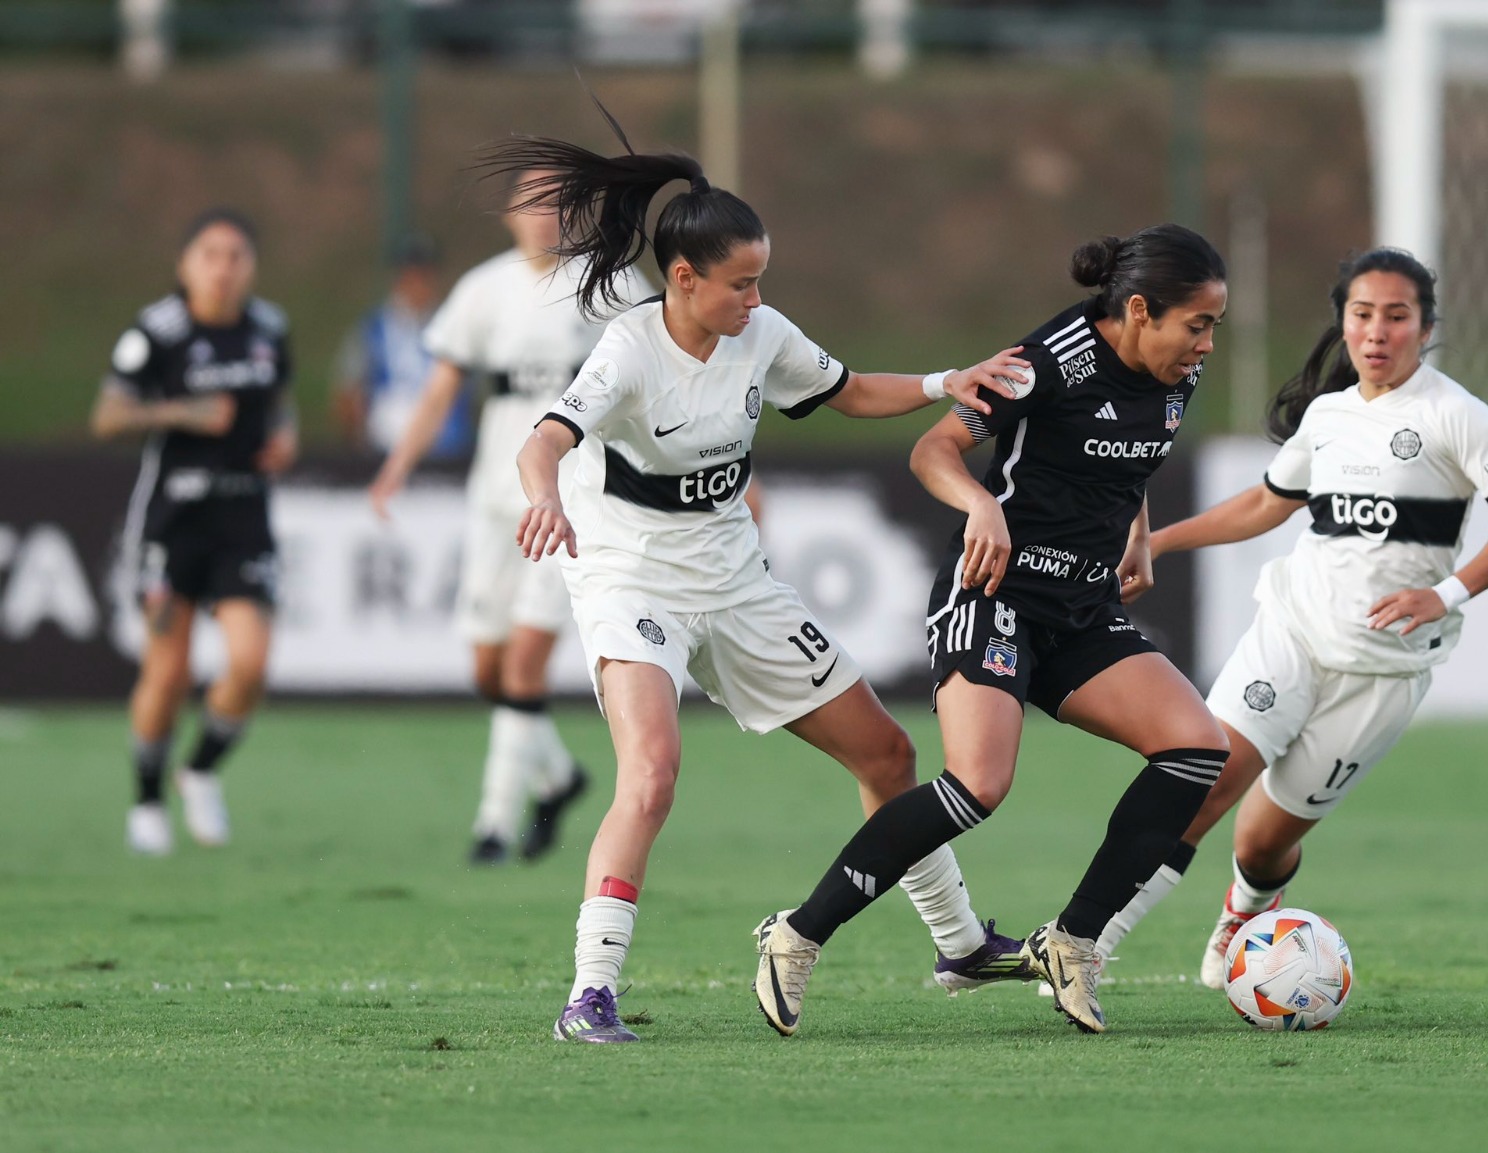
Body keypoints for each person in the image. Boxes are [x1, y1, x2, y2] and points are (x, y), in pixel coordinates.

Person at [492, 116, 1037, 1044]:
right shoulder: (628, 350)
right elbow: (543, 439)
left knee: (888, 757)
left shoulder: (762, 332)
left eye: (761, 280)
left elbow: (849, 388)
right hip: (631, 578)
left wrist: (949, 379)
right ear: (684, 278)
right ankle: (589, 992)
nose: (756, 298)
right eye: (741, 283)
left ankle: (960, 944)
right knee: (653, 772)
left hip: (735, 578)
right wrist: (544, 497)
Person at [754, 224, 1234, 1036]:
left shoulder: (1174, 373)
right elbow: (933, 448)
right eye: (1198, 325)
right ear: (1142, 310)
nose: (1208, 345)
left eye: (1216, 326)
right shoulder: (1047, 361)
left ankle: (1072, 941)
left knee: (1198, 747)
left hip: (1083, 610)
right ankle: (797, 933)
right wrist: (981, 504)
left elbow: (1130, 461)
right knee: (979, 783)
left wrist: (1140, 532)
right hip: (995, 595)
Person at [1089, 248, 1488, 987]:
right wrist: (1159, 539)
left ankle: (1245, 907)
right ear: (1344, 322)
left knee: (1264, 842)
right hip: (1292, 632)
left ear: (1424, 328)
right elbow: (1269, 502)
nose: (1376, 332)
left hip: (1382, 671)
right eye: (1362, 315)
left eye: (1396, 316)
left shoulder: (1456, 416)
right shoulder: (1328, 416)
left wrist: (1446, 593)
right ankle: (1089, 943)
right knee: (1202, 784)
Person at [368, 176, 632, 865]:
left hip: (573, 499)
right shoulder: (483, 290)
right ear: (509, 213)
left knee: (523, 665)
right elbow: (441, 390)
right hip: (496, 496)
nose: (545, 216)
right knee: (486, 667)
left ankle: (491, 825)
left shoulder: (613, 284)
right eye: (532, 203)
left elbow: (670, 368)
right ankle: (559, 776)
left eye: (558, 203)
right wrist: (397, 466)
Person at [90, 208, 297, 855]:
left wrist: (285, 436)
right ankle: (147, 800)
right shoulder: (158, 331)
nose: (224, 267)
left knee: (250, 662)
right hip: (172, 521)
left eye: (236, 255)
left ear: (251, 266)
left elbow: (280, 399)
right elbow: (107, 414)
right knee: (169, 671)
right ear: (186, 264)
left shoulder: (269, 328)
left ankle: (200, 768)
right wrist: (183, 410)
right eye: (210, 254)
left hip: (243, 516)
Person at [332, 233, 473, 460]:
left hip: (448, 454)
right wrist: (357, 445)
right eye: (410, 274)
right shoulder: (373, 330)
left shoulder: (455, 327)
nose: (417, 282)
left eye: (424, 274)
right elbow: (348, 392)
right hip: (385, 448)